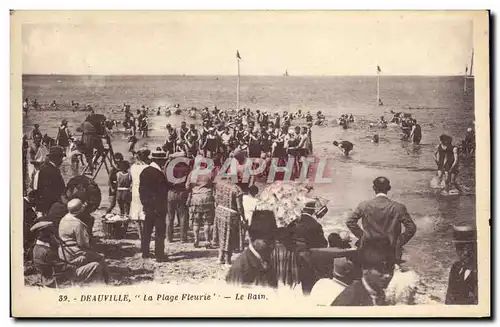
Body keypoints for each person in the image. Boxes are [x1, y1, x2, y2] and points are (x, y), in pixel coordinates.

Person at [346, 177, 416, 263]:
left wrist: (363, 237)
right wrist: (399, 242)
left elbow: (350, 222)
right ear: (389, 188)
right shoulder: (398, 207)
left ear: (374, 188)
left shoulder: (364, 205)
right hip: (391, 250)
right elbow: (411, 228)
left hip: (369, 249)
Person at [332, 237, 396, 306]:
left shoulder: (378, 292)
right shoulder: (349, 300)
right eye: (380, 270)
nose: (388, 275)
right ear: (365, 269)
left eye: (391, 269)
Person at [58, 198, 109, 285]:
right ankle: (104, 282)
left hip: (63, 252)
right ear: (79, 210)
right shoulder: (78, 224)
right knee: (100, 258)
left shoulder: (64, 219)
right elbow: (83, 244)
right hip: (73, 254)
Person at [225, 210, 278, 288]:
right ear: (252, 238)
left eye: (273, 240)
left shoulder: (266, 260)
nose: (272, 245)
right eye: (266, 241)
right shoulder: (240, 269)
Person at [288, 200, 328, 295]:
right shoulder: (316, 225)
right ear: (313, 211)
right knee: (308, 285)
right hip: (307, 259)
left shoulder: (293, 222)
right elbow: (322, 244)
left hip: (292, 258)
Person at [139, 148, 169, 262]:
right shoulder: (158, 174)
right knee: (160, 232)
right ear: (159, 161)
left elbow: (141, 190)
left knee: (147, 229)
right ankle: (159, 255)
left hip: (148, 206)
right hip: (158, 207)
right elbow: (162, 192)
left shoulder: (145, 171)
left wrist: (145, 204)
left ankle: (145, 252)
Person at [214, 175, 246, 265]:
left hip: (219, 212)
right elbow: (239, 206)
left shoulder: (219, 185)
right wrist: (243, 216)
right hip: (231, 214)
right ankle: (228, 260)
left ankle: (220, 258)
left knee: (221, 235)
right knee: (229, 237)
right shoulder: (236, 189)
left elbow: (216, 199)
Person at [186, 160, 216, 248]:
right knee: (207, 222)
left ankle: (196, 240)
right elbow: (214, 184)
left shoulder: (192, 173)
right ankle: (207, 241)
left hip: (195, 199)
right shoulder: (210, 173)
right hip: (207, 198)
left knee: (196, 221)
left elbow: (187, 186)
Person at [445, 226, 478, 305]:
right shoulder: (456, 268)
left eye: (470, 247)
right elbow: (448, 300)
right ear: (456, 248)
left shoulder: (482, 273)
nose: (466, 252)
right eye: (460, 248)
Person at [165, 159, 190, 243]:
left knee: (170, 216)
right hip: (182, 193)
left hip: (171, 192)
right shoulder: (186, 169)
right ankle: (183, 238)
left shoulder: (169, 169)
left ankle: (169, 237)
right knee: (183, 216)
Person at [35, 146, 66, 215]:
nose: (62, 160)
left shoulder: (46, 168)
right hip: (50, 206)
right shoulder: (52, 171)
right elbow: (49, 191)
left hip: (46, 205)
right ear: (56, 158)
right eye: (61, 158)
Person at [129, 149, 150, 224]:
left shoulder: (133, 167)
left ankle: (140, 234)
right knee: (144, 213)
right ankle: (145, 233)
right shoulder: (147, 167)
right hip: (145, 190)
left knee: (137, 213)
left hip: (135, 190)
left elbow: (130, 179)